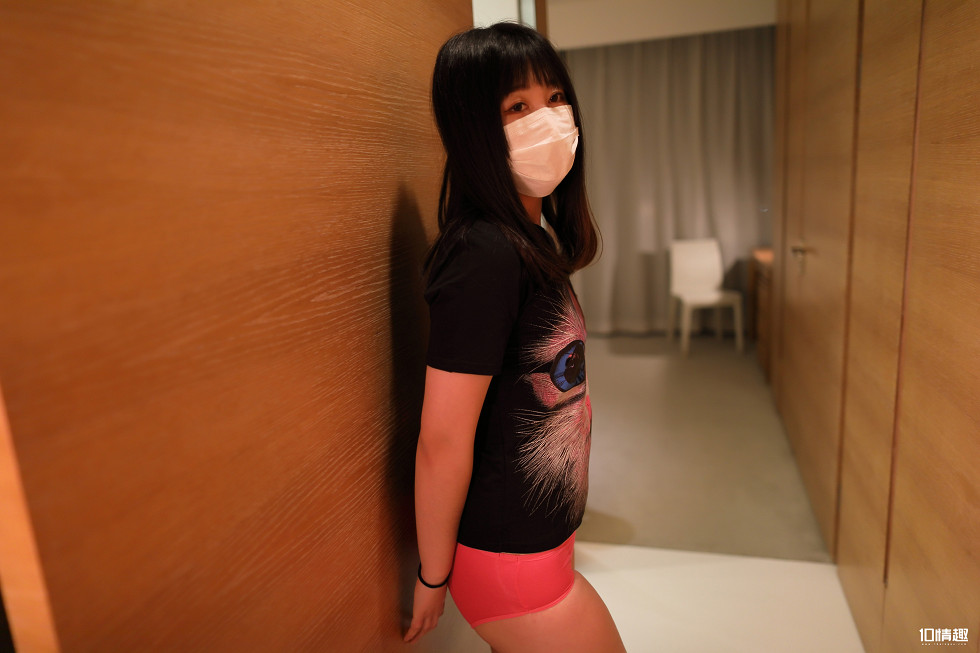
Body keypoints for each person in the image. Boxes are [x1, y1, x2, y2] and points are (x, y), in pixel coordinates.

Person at [403, 22, 626, 652]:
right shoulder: (483, 254)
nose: (548, 119)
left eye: (555, 97)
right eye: (517, 107)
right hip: (512, 563)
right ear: (474, 129)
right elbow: (442, 439)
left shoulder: (531, 240)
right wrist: (432, 575)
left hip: (543, 548)